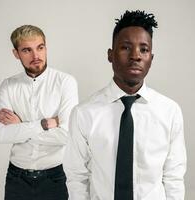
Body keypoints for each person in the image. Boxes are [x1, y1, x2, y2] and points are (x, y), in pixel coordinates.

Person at [63, 10, 187, 200]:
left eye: (144, 49)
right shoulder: (84, 114)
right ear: (110, 55)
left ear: (151, 59)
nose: (135, 56)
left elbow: (174, 178)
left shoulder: (169, 112)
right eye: (126, 47)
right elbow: (76, 178)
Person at [0, 25, 78, 200]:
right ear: (16, 53)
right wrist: (44, 124)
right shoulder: (8, 86)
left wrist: (21, 128)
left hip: (54, 178)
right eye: (27, 50)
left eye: (40, 48)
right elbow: (3, 135)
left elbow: (66, 136)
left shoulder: (65, 82)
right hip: (16, 178)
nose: (36, 56)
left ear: (46, 47)